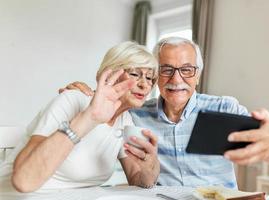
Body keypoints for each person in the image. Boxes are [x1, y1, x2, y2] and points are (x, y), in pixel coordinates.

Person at [59, 37, 269, 188]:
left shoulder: (224, 109)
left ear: (198, 75)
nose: (176, 79)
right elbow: (110, 104)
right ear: (155, 75)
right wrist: (87, 92)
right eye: (167, 70)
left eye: (186, 70)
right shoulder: (137, 114)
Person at [0, 41, 160, 194]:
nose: (145, 85)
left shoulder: (125, 121)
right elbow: (23, 181)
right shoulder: (72, 100)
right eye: (135, 74)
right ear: (109, 73)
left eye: (150, 78)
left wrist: (149, 168)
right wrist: (89, 118)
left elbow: (136, 179)